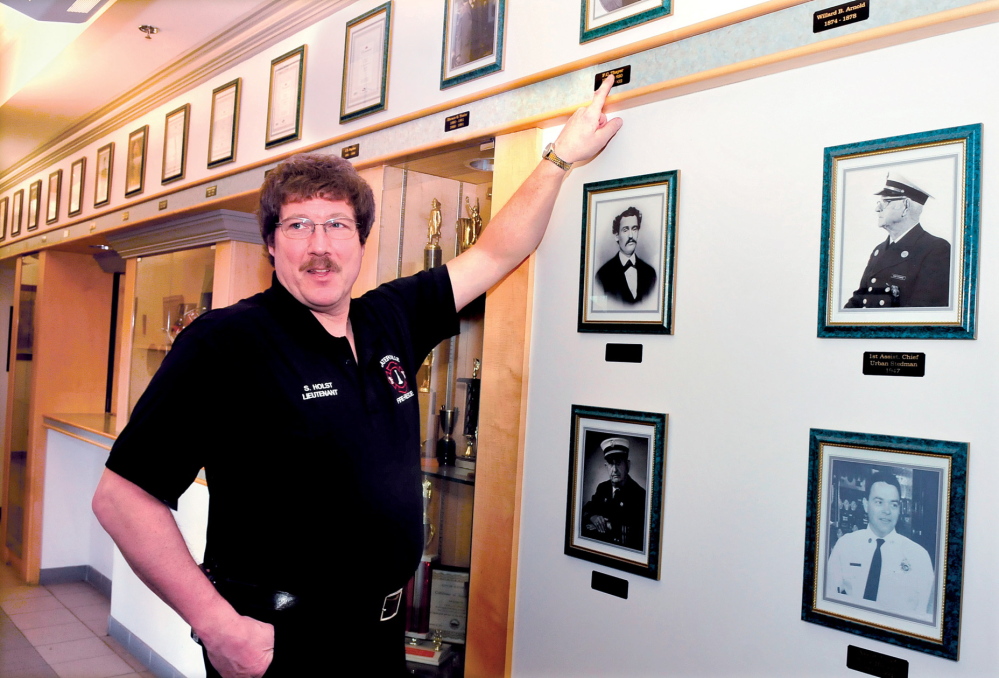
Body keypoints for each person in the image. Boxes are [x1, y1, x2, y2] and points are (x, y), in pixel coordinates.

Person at [91, 76, 621, 678]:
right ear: (270, 242)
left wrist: (558, 157)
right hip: (280, 646)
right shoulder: (225, 343)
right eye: (298, 226)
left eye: (337, 225)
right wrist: (216, 624)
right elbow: (123, 498)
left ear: (361, 240)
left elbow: (497, 251)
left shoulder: (388, 318)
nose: (320, 246)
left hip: (381, 641)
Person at [825, 471, 934, 620]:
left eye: (893, 504)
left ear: (900, 508)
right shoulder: (845, 545)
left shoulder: (918, 556)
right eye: (879, 502)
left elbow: (924, 614)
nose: (887, 511)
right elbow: (829, 597)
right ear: (865, 505)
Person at [844, 172, 950, 309]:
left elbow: (923, 311)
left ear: (905, 206)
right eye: (879, 203)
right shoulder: (879, 250)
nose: (877, 209)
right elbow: (859, 299)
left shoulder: (936, 249)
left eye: (886, 202)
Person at [580, 437, 647, 551]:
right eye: (611, 464)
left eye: (619, 463)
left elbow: (637, 534)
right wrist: (593, 517)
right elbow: (587, 509)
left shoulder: (639, 495)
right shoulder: (602, 488)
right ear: (606, 466)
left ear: (628, 465)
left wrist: (610, 525)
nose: (614, 470)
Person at [595, 206, 657, 305]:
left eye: (634, 228)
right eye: (625, 230)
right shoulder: (602, 275)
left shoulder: (650, 273)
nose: (631, 235)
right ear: (616, 236)